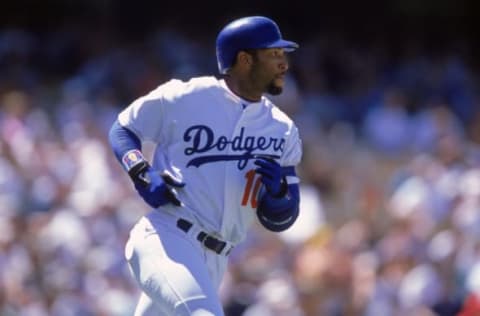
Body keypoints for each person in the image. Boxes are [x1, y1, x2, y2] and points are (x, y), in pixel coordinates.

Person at [108, 15, 303, 316]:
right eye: (274, 54)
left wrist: (278, 197)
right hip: (168, 238)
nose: (283, 64)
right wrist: (141, 172)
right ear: (244, 59)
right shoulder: (187, 96)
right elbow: (123, 130)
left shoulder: (283, 130)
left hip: (216, 260)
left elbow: (284, 218)